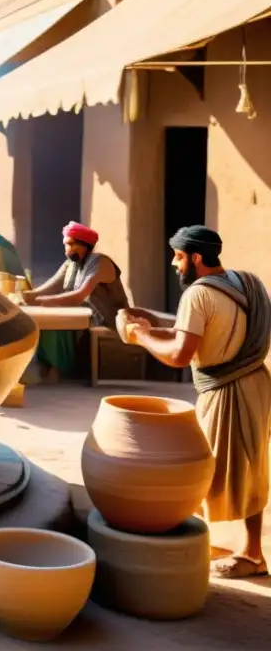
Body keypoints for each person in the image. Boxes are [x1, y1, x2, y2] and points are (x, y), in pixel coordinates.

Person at [123, 226, 271, 579]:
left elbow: (179, 354)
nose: (175, 264)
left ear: (196, 258)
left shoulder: (197, 295)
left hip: (225, 391)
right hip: (258, 383)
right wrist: (150, 326)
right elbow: (200, 331)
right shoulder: (248, 281)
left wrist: (140, 335)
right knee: (253, 467)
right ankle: (252, 551)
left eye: (178, 256)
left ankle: (193, 544)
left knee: (202, 465)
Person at [23, 221, 129, 380]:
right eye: (66, 245)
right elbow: (47, 289)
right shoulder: (71, 264)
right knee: (41, 325)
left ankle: (61, 369)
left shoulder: (101, 263)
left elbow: (79, 295)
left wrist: (43, 301)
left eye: (72, 245)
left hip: (107, 320)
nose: (68, 250)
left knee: (54, 326)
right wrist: (20, 296)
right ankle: (51, 368)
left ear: (85, 245)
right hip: (82, 316)